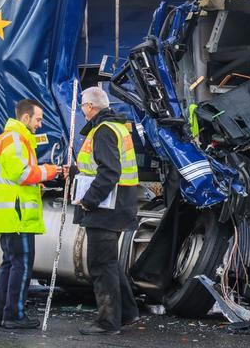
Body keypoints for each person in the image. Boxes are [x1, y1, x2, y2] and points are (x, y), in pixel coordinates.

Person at [0, 99, 62, 329]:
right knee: (21, 265)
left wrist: (34, 185)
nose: (40, 124)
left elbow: (12, 178)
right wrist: (53, 170)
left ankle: (1, 315)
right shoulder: (16, 139)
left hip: (8, 214)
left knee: (9, 265)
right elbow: (22, 174)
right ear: (25, 118)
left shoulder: (5, 138)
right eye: (38, 119)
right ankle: (15, 315)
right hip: (17, 215)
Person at [73, 87, 140, 335]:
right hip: (120, 204)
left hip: (105, 208)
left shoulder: (103, 131)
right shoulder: (117, 127)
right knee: (109, 263)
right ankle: (127, 313)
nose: (81, 109)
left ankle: (108, 322)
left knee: (100, 265)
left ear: (90, 107)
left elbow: (109, 172)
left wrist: (88, 201)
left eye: (82, 105)